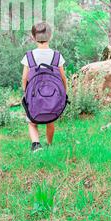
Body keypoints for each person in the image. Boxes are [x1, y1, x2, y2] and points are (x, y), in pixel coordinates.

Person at [21, 22, 67, 152]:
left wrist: (26, 92)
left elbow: (24, 77)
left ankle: (36, 144)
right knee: (50, 121)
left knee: (32, 122)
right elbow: (63, 78)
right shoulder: (57, 56)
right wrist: (64, 92)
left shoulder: (29, 56)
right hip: (53, 97)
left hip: (34, 95)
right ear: (50, 36)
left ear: (33, 37)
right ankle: (49, 143)